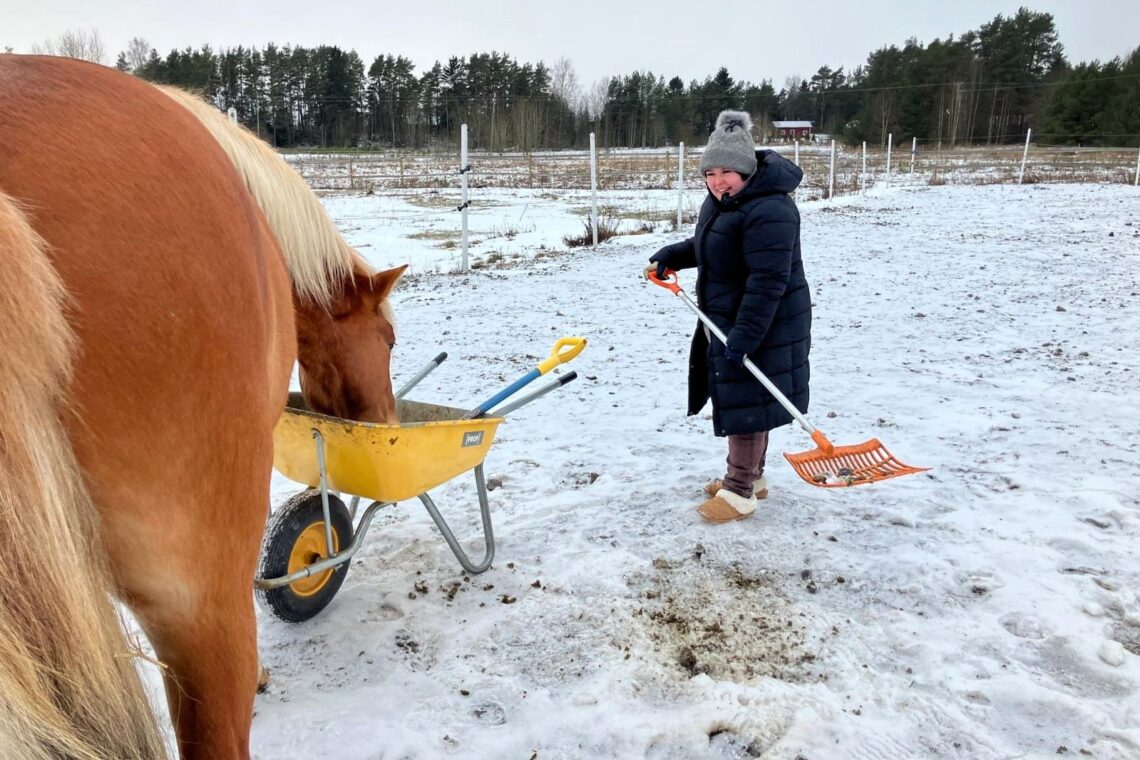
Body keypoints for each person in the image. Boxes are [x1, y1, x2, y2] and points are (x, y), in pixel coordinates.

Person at [646, 110, 811, 523]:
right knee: (750, 397)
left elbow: (768, 281)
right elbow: (712, 244)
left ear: (747, 171)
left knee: (747, 404)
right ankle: (751, 477)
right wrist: (673, 255)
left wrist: (745, 336)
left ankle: (739, 492)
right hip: (730, 317)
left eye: (727, 172)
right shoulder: (725, 203)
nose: (717, 181)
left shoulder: (771, 209)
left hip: (764, 320)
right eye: (710, 173)